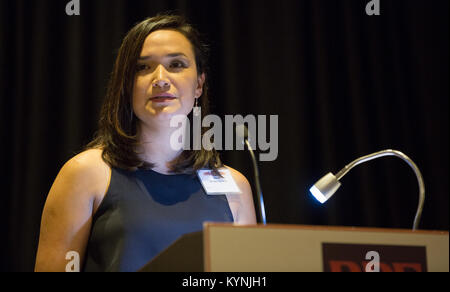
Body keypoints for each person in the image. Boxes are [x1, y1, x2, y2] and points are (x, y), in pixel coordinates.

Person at [34, 14, 256, 272]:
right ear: (126, 85)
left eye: (176, 64)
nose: (160, 78)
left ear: (199, 84)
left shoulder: (235, 187)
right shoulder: (86, 173)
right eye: (143, 67)